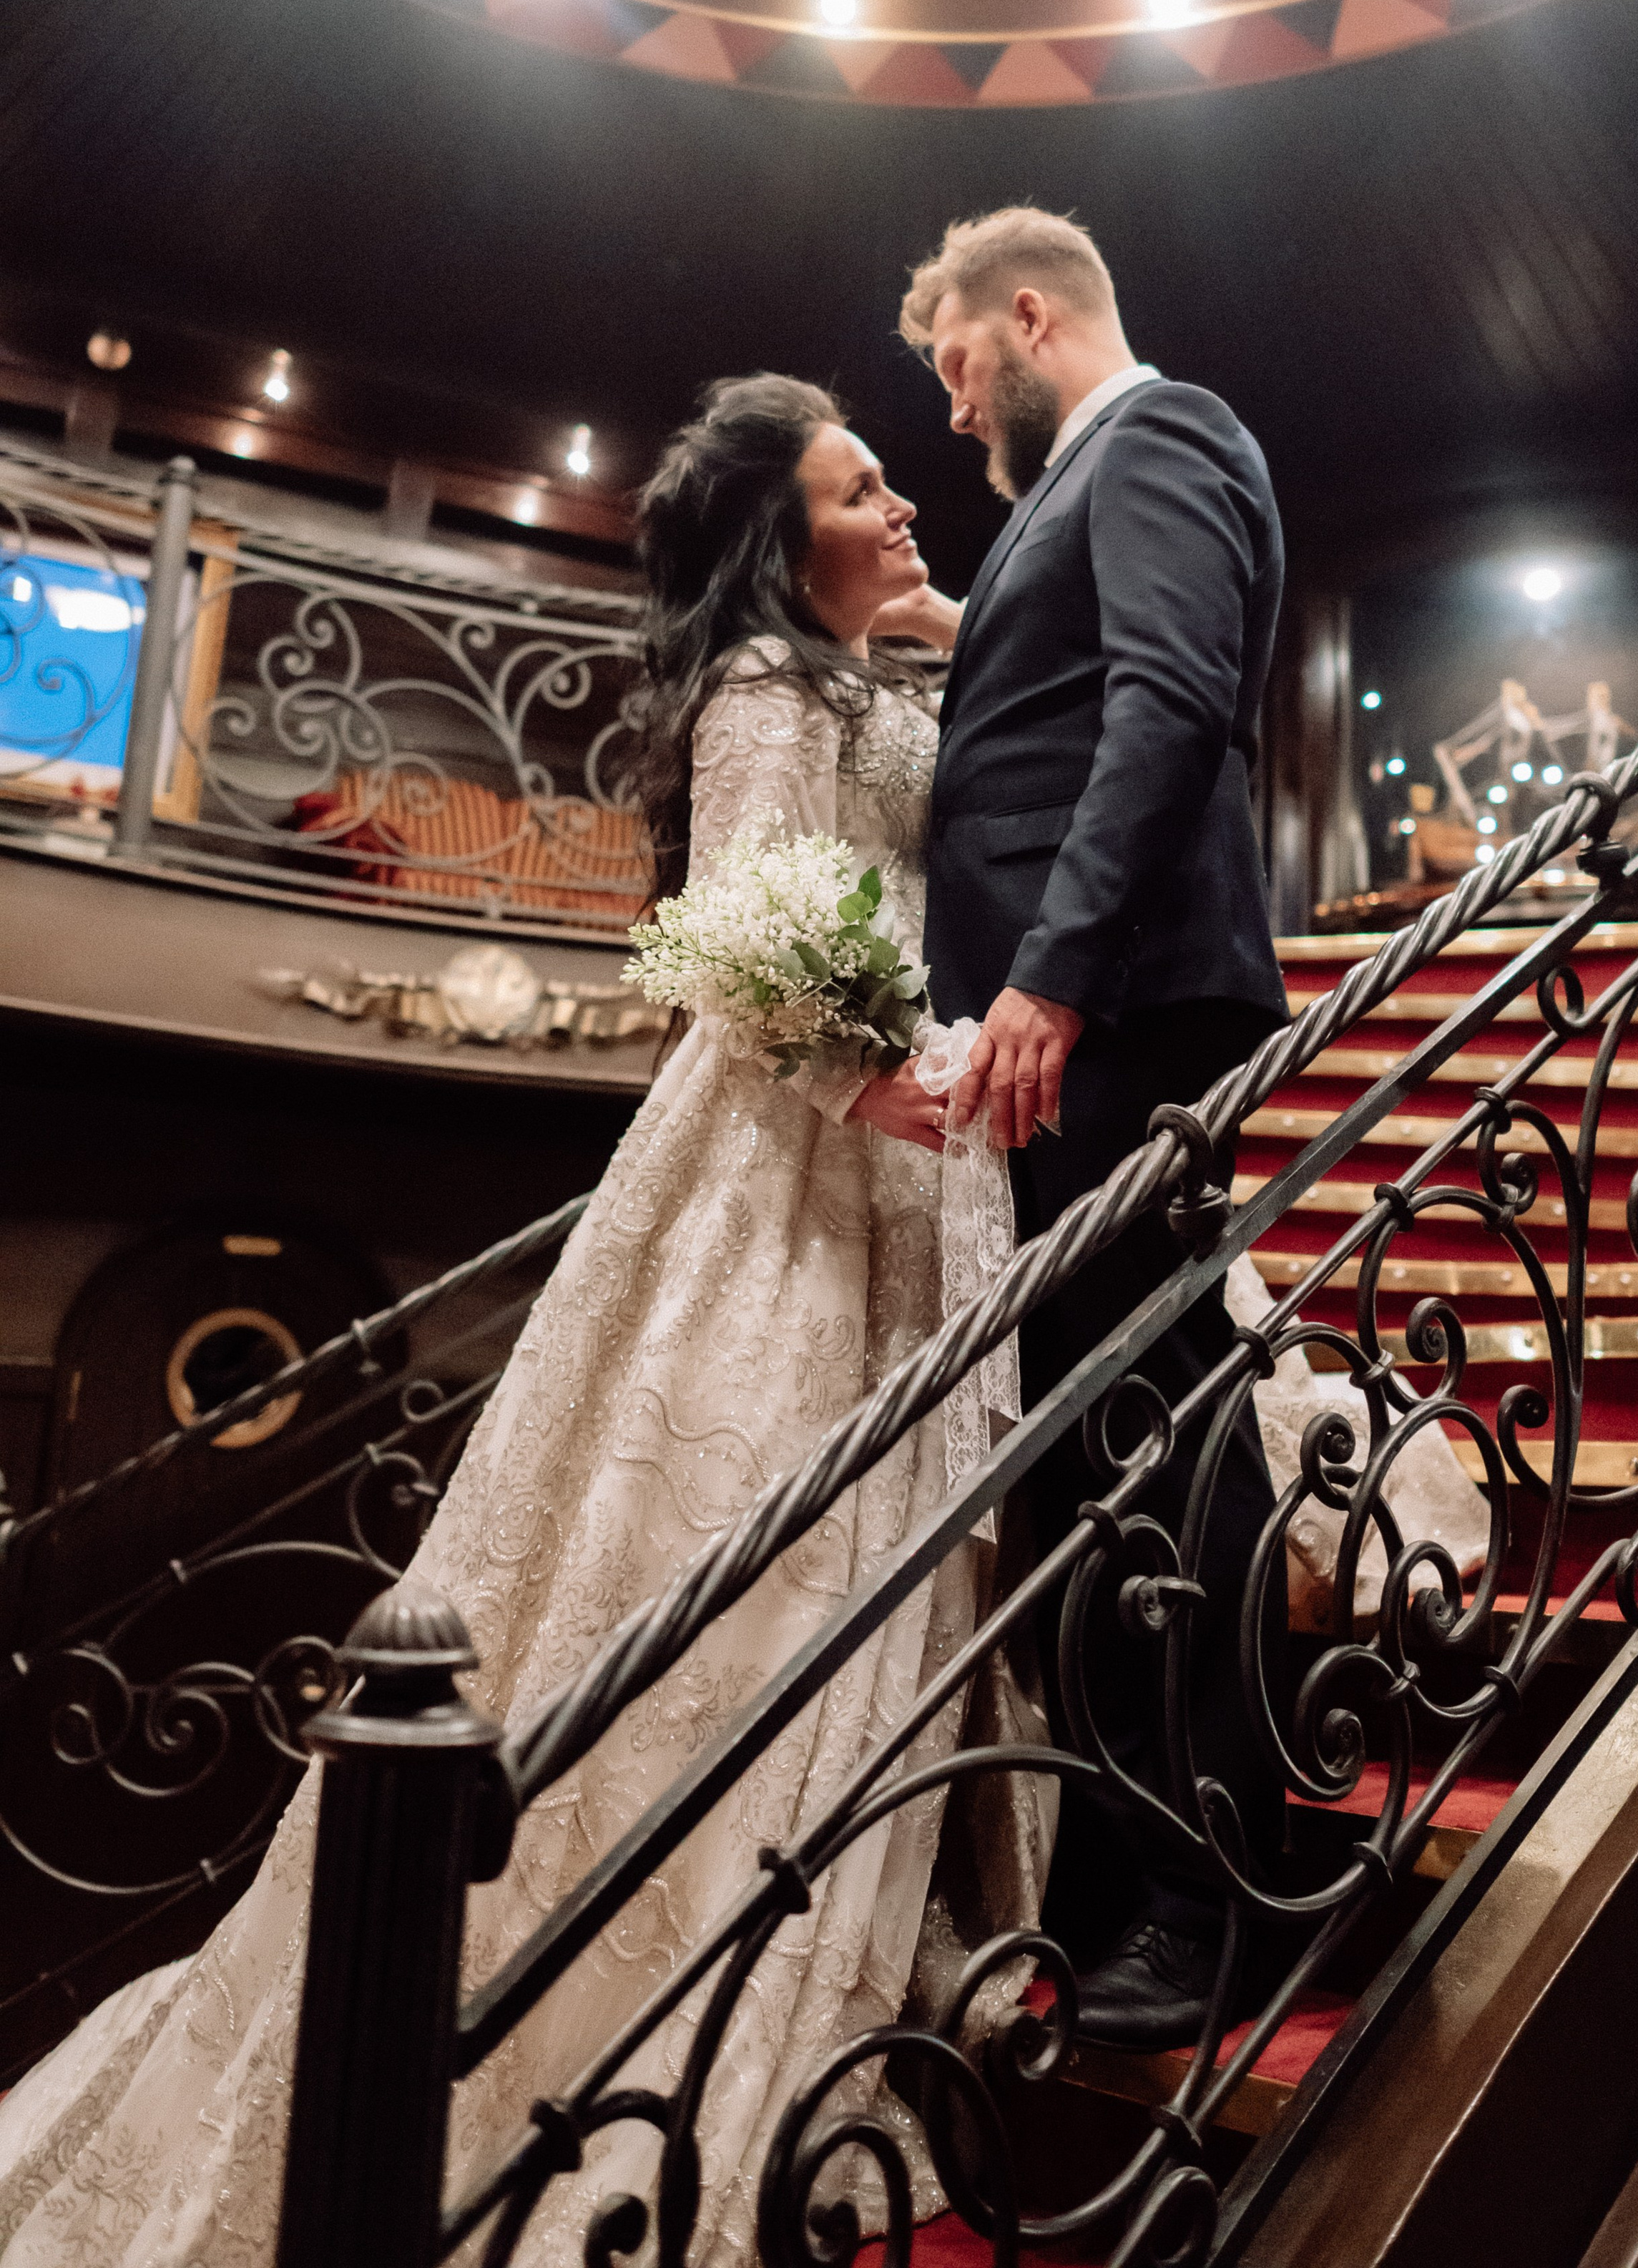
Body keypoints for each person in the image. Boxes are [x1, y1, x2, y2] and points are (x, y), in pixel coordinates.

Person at [0, 375, 1043, 2268]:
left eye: (898, 480)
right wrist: (863, 1069)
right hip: (804, 1162)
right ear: (775, 539)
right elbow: (741, 920)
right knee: (740, 1529)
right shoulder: (760, 689)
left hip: (926, 1159)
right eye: (860, 486)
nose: (901, 503)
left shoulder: (897, 669)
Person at [900, 207, 1294, 2049]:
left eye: (957, 360)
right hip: (1073, 1024)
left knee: (1151, 1428)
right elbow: (1070, 689)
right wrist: (955, 626)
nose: (953, 402)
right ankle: (1129, 1867)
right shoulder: (1079, 489)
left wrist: (1048, 975)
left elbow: (1167, 698)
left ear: (1030, 314)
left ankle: (1212, 1895)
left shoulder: (1164, 431)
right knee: (1095, 1438)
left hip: (1117, 1015)